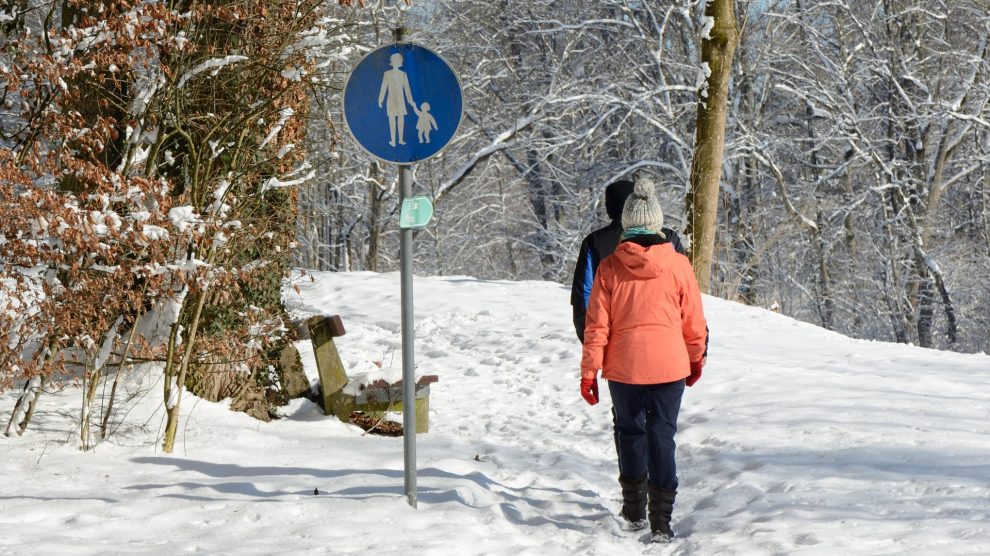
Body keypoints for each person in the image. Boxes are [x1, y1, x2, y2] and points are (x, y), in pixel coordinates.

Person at [579, 180, 708, 543]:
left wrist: (589, 372)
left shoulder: (608, 268)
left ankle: (634, 510)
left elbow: (596, 328)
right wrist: (696, 359)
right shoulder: (679, 265)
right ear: (656, 223)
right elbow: (694, 322)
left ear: (626, 224)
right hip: (670, 367)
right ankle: (662, 521)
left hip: (624, 368)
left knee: (630, 433)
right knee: (662, 436)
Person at [570, 180, 685, 344]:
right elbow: (685, 291)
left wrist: (590, 339)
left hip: (615, 339)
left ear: (609, 207)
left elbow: (583, 295)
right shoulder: (669, 238)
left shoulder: (594, 242)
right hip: (666, 336)